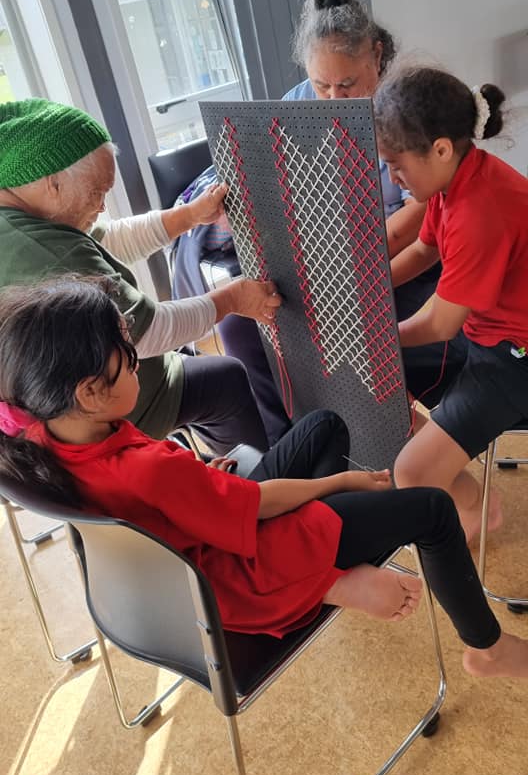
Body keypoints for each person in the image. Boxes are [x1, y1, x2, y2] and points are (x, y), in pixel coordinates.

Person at [1, 280, 528, 679]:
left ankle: (335, 564)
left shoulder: (44, 435)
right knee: (430, 510)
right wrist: (338, 486)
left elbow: (175, 500)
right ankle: (485, 647)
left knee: (323, 427)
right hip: (241, 576)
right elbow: (255, 505)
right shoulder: (149, 469)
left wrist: (200, 482)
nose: (142, 368)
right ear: (91, 391)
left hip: (198, 550)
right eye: (132, 360)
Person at [173, 0, 442, 443]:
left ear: (376, 57)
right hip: (318, 264)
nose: (333, 100)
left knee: (338, 343)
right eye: (322, 84)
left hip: (397, 266)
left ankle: (378, 444)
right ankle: (293, 453)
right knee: (240, 324)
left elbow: (421, 217)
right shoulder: (298, 102)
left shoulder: (410, 108)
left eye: (347, 85)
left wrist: (352, 277)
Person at [0, 98, 283, 455]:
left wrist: (191, 215)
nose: (103, 205)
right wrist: (233, 299)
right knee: (225, 381)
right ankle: (254, 482)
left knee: (196, 351)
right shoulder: (41, 246)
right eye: (97, 192)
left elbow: (106, 240)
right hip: (93, 415)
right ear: (50, 182)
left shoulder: (21, 217)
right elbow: (144, 332)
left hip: (70, 400)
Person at [373, 65, 528, 541]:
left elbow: (440, 323)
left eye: (398, 166)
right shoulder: (451, 184)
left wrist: (375, 336)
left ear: (440, 148)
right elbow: (424, 250)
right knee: (372, 381)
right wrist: (370, 297)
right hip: (483, 335)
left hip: (514, 358)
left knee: (412, 474)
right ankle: (465, 492)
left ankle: (476, 507)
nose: (394, 179)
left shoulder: (480, 209)